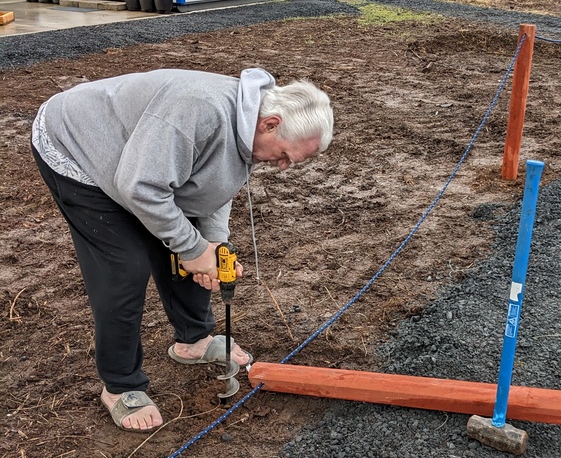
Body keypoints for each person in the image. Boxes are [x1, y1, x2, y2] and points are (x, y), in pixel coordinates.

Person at [31, 67, 334, 432]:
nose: (283, 167)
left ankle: (194, 339)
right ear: (270, 124)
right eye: (285, 155)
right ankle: (120, 384)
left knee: (187, 240)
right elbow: (140, 187)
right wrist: (193, 250)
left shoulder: (250, 130)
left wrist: (213, 245)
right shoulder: (199, 111)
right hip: (78, 147)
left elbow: (214, 185)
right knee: (125, 265)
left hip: (142, 161)